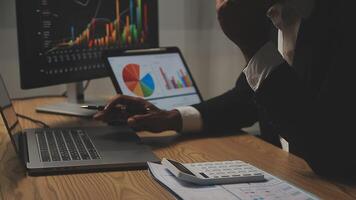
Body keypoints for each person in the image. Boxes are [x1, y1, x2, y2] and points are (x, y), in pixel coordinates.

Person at [95, 0, 356, 180]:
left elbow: (329, 153)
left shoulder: (344, 19)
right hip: (287, 175)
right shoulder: (272, 10)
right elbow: (247, 99)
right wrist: (171, 117)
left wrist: (253, 47)